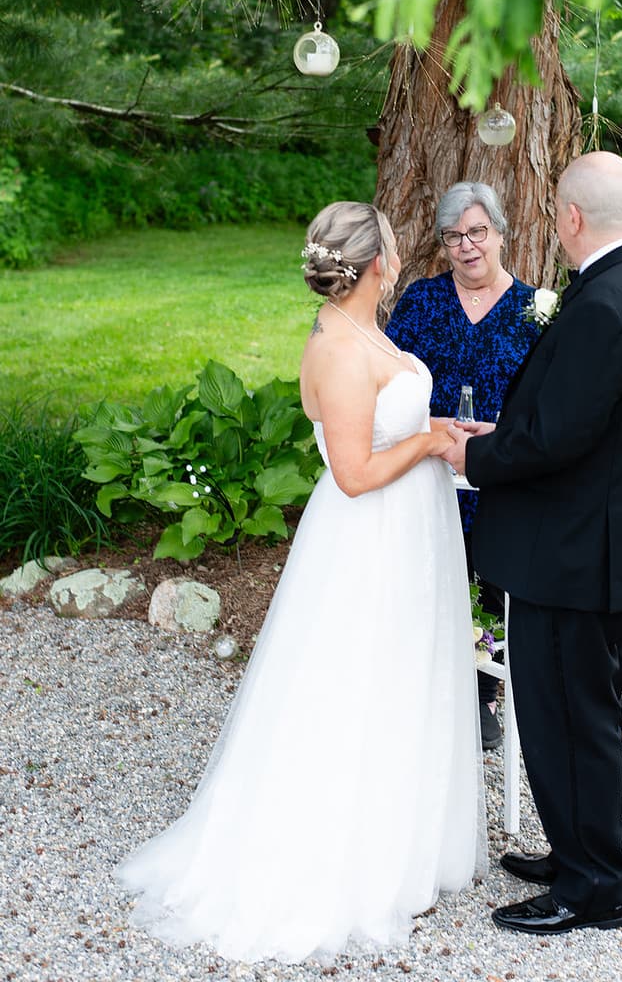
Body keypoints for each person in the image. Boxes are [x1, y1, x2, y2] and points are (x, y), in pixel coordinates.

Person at [117, 201, 485, 964]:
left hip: (410, 531)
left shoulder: (357, 327)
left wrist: (440, 433)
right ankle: (349, 855)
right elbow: (353, 474)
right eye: (388, 244)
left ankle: (409, 839)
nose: (396, 252)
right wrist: (426, 441)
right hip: (372, 537)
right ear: (373, 262)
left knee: (404, 678)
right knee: (359, 685)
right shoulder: (340, 351)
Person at [442, 152, 622, 937]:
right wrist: (506, 433)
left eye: (555, 212)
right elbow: (578, 426)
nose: (555, 223)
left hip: (572, 558)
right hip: (591, 547)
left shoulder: (606, 304)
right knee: (571, 717)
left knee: (570, 721)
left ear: (573, 218)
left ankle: (594, 889)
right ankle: (578, 852)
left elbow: (557, 440)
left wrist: (471, 454)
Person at [385, 182, 540, 749]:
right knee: (425, 578)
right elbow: (392, 383)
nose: (467, 246)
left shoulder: (535, 312)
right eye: (454, 236)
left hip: (499, 478)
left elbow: (547, 403)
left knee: (490, 585)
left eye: (478, 232)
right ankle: (419, 685)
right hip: (426, 470)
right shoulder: (420, 302)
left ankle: (481, 693)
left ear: (501, 233)